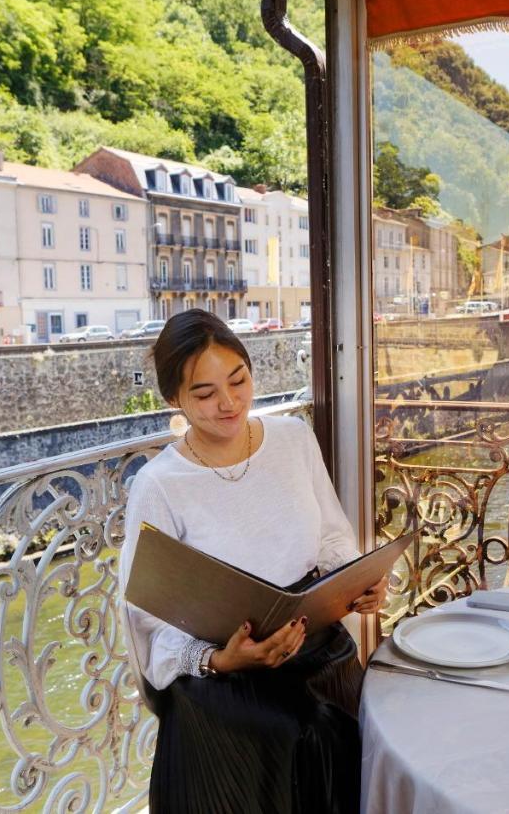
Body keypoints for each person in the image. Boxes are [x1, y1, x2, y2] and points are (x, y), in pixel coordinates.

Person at [119, 309, 387, 813]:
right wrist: (220, 659)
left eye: (238, 380)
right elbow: (147, 619)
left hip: (315, 645)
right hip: (223, 679)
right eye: (204, 394)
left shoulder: (293, 439)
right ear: (174, 399)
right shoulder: (159, 486)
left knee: (345, 727)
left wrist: (361, 582)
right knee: (297, 734)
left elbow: (332, 539)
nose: (229, 403)